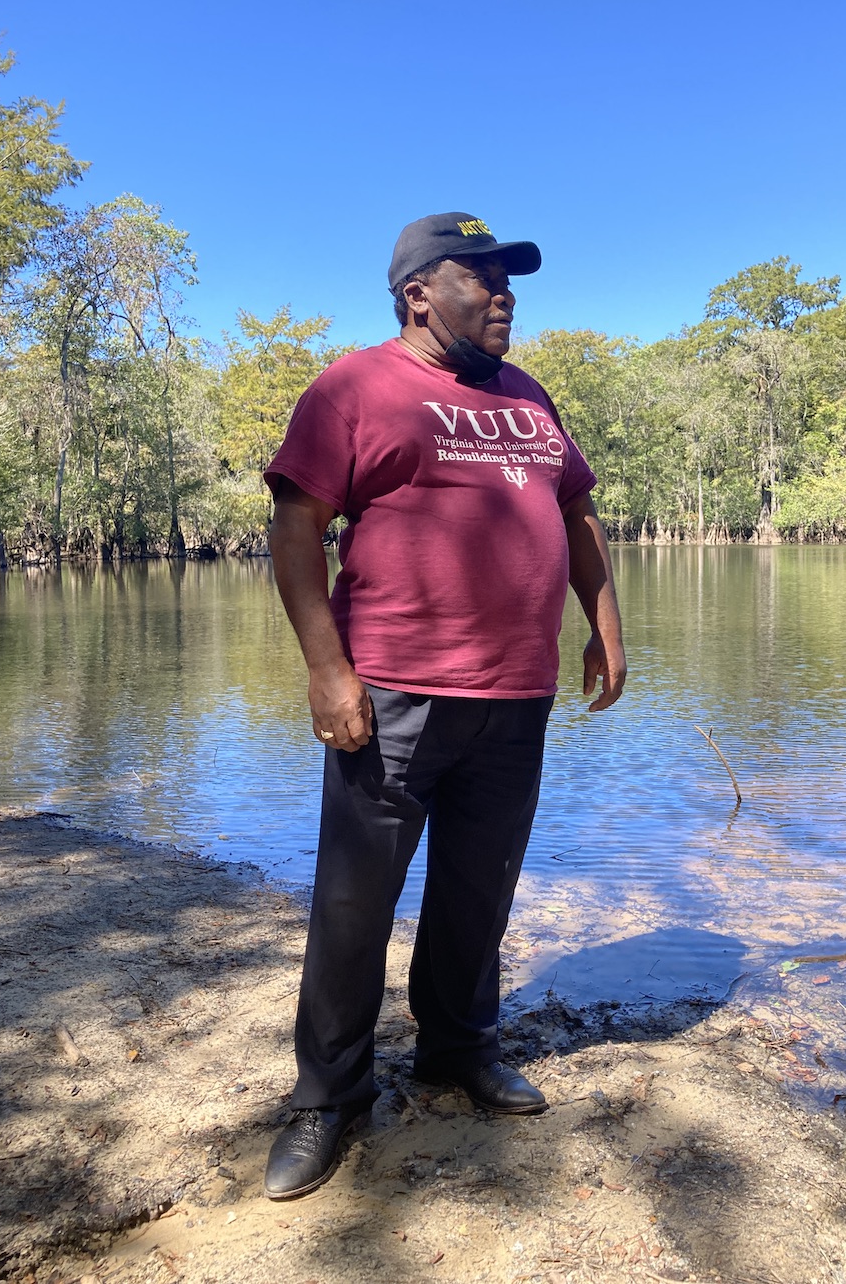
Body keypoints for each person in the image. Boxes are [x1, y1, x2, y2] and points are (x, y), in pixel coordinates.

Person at [261, 211, 626, 1200]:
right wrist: (327, 671)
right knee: (352, 904)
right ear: (419, 292)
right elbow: (296, 528)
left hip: (514, 691)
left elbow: (574, 511)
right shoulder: (355, 387)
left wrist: (605, 623)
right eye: (481, 276)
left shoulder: (528, 394)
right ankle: (327, 1095)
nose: (504, 292)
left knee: (479, 890)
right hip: (392, 691)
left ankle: (455, 1048)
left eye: (511, 278)